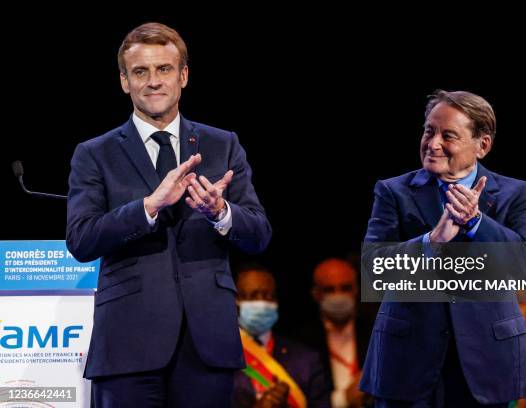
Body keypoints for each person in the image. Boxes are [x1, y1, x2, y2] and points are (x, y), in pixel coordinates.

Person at [66, 22, 272, 407]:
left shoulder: (222, 144)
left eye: (164, 69)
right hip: (128, 344)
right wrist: (148, 207)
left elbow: (259, 234)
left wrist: (221, 212)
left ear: (183, 76)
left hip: (207, 343)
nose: (153, 81)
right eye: (140, 72)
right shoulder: (94, 153)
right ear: (124, 81)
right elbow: (81, 239)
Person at [359, 90, 526, 407]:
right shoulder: (392, 191)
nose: (433, 144)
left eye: (448, 135)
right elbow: (373, 267)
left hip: (487, 360)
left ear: (482, 145)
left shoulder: (518, 193)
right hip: (407, 360)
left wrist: (476, 223)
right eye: (429, 130)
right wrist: (431, 241)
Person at [233, 266, 332, 408]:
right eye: (253, 295)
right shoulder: (217, 356)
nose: (262, 302)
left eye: (268, 295)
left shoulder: (307, 359)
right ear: (235, 300)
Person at [295, 258, 373, 408]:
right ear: (315, 294)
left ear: (356, 289)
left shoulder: (376, 333)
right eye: (329, 290)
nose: (338, 296)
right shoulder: (301, 342)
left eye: (345, 288)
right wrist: (344, 399)